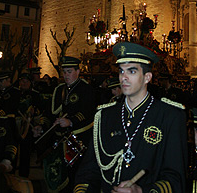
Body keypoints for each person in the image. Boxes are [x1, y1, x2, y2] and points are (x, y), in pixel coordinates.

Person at [73, 42, 188, 193]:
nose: (124, 78)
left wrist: (141, 191)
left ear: (147, 77)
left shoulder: (169, 116)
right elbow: (89, 171)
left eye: (132, 71)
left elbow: (175, 178)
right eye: (121, 71)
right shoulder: (105, 115)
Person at [43, 56, 97, 192]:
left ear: (78, 72)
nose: (66, 75)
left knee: (76, 176)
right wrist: (43, 125)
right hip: (60, 139)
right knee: (59, 174)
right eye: (64, 72)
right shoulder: (60, 89)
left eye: (69, 71)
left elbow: (88, 112)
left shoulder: (86, 89)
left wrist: (71, 121)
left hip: (79, 139)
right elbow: (52, 113)